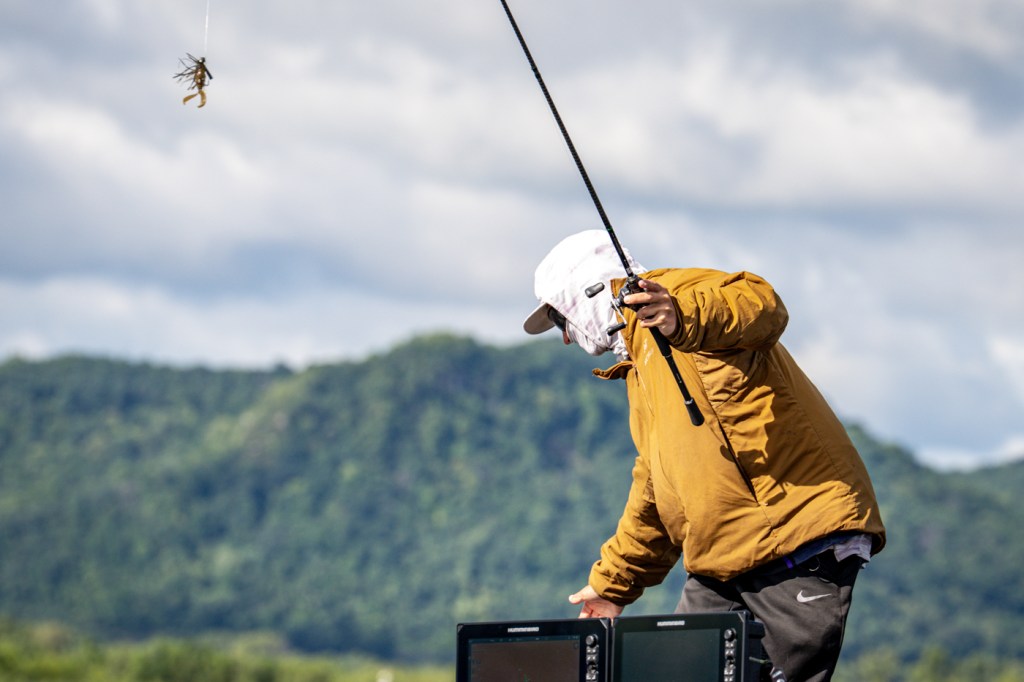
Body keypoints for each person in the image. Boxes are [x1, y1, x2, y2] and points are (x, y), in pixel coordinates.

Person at [523, 230, 886, 682]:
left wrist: (681, 315)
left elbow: (763, 305)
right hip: (721, 564)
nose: (564, 338)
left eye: (560, 320)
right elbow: (654, 493)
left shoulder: (679, 292)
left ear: (586, 293)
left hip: (795, 543)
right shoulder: (641, 367)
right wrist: (612, 585)